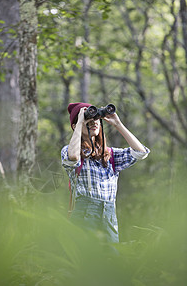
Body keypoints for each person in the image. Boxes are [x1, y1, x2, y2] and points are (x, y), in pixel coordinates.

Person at [61, 102, 150, 243]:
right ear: (76, 125)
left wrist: (118, 124)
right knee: (84, 260)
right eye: (88, 121)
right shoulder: (70, 150)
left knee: (110, 261)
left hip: (108, 217)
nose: (94, 123)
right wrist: (79, 123)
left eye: (96, 119)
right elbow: (73, 157)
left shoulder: (110, 154)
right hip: (84, 215)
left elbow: (141, 152)